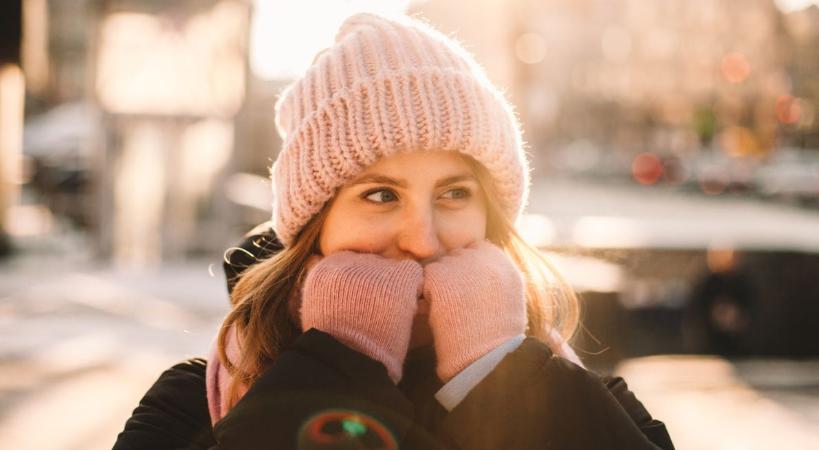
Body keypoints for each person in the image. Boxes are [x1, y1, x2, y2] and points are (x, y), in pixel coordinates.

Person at [113, 12, 675, 450]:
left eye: (455, 193)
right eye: (380, 195)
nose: (423, 240)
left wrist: (498, 376)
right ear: (316, 224)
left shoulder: (587, 398)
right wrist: (337, 371)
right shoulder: (190, 404)